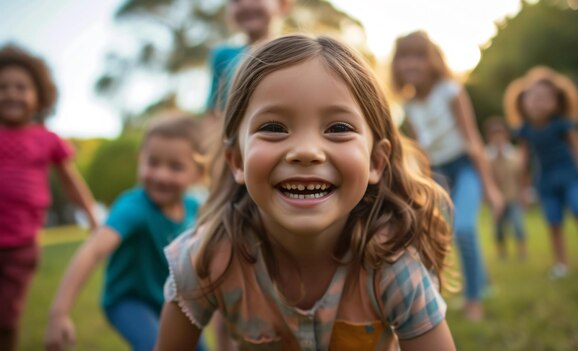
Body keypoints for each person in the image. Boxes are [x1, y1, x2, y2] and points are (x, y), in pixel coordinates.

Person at [155, 35, 456, 350]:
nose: (306, 151)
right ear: (237, 161)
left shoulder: (392, 264)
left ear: (375, 161)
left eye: (338, 128)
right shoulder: (207, 259)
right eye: (274, 128)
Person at [45, 116, 209, 351]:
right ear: (139, 161)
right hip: (129, 301)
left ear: (199, 174)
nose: (161, 175)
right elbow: (93, 251)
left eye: (175, 166)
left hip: (173, 301)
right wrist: (58, 314)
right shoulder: (133, 208)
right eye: (153, 162)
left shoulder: (194, 208)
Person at [391, 31, 503, 321]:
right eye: (404, 57)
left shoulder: (451, 91)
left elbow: (472, 139)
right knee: (437, 234)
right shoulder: (409, 106)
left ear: (432, 60)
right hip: (436, 174)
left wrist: (490, 187)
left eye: (418, 56)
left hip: (464, 166)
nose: (411, 64)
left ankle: (474, 298)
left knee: (464, 228)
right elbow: (420, 154)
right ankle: (473, 282)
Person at [0, 44, 98, 351]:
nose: (11, 94)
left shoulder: (47, 139)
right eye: (2, 87)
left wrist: (93, 218)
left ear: (39, 95)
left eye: (21, 87)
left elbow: (71, 183)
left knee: (6, 319)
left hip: (22, 246)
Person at [504, 66, 578, 279]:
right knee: (553, 222)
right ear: (524, 101)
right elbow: (523, 160)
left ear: (556, 103)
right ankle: (561, 264)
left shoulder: (562, 124)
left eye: (545, 97)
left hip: (569, 176)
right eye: (533, 97)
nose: (538, 101)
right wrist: (523, 186)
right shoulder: (525, 129)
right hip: (545, 181)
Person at [206, 0, 292, 114]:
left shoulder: (296, 53)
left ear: (282, 4)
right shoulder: (222, 55)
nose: (246, 4)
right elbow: (213, 112)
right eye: (236, 1)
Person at [484, 117, 527, 260]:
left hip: (513, 196)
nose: (498, 137)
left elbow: (521, 176)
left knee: (517, 224)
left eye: (500, 133)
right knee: (499, 228)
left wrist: (524, 193)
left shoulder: (514, 154)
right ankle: (502, 252)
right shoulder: (486, 156)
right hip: (497, 199)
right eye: (494, 134)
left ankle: (521, 250)